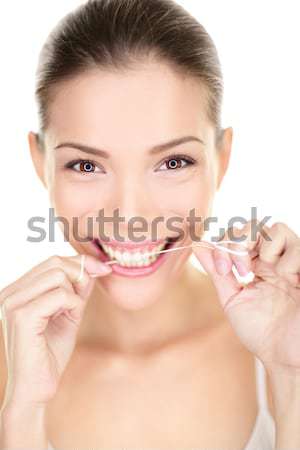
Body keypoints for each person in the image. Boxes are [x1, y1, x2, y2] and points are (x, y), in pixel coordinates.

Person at [0, 0, 299, 449]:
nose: (130, 215)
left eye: (172, 161)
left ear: (222, 157)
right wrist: (21, 414)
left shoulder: (285, 339)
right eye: (85, 166)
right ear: (41, 163)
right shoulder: (11, 373)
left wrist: (291, 375)